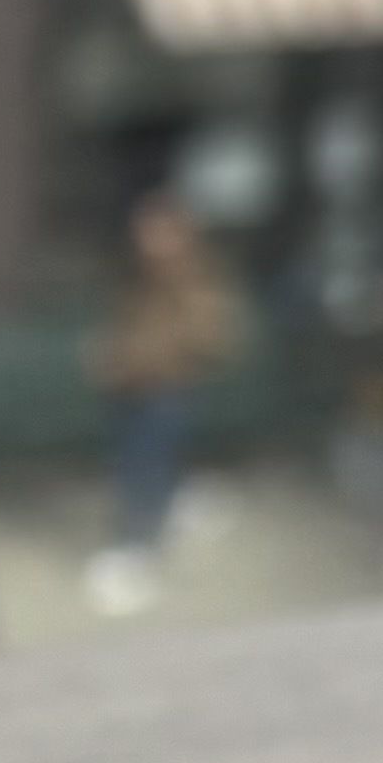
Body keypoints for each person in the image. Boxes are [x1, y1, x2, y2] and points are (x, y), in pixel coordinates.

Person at [82, 194, 241, 616]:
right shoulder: (136, 278)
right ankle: (144, 537)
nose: (148, 239)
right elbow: (124, 329)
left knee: (148, 470)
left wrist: (144, 360)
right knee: (133, 466)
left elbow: (207, 337)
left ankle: (139, 553)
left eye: (158, 231)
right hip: (128, 390)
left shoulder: (192, 280)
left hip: (163, 389)